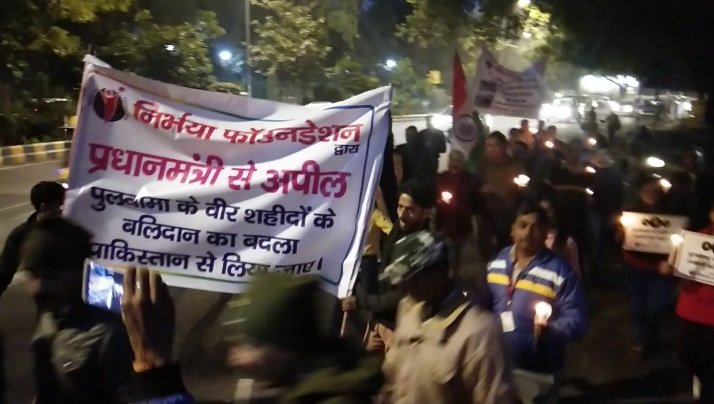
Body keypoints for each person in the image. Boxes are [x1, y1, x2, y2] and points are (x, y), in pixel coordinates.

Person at [382, 231, 516, 403]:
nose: (404, 287)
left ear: (439, 271)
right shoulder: (408, 311)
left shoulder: (479, 333)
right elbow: (392, 379)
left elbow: (493, 397)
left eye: (412, 279)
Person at [19, 217, 133, 403]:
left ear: (80, 273)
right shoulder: (52, 312)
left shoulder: (111, 332)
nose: (38, 287)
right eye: (33, 274)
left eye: (51, 276)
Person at [223, 273, 384, 403]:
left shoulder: (334, 397)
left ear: (287, 344)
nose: (236, 358)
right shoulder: (305, 388)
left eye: (254, 344)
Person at [486, 201, 587, 403]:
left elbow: (577, 319)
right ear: (512, 230)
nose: (528, 232)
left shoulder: (560, 272)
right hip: (500, 364)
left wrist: (551, 331)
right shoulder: (496, 263)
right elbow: (484, 302)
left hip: (540, 370)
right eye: (523, 225)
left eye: (536, 227)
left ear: (546, 233)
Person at [341, 180, 435, 348]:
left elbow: (401, 296)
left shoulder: (425, 246)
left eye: (410, 209)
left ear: (425, 212)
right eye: (400, 207)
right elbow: (385, 276)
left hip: (402, 330)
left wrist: (361, 302)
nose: (402, 214)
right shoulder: (398, 230)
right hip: (381, 323)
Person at [660, 202, 714, 403]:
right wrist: (670, 268)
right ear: (711, 215)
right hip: (692, 309)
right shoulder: (694, 240)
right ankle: (699, 377)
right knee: (686, 354)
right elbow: (679, 269)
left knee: (710, 361)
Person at [617, 173, 676, 357]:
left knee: (657, 306)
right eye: (647, 190)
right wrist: (621, 232)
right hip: (635, 267)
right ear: (640, 191)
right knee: (638, 306)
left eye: (655, 190)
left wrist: (672, 260)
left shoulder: (673, 212)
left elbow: (682, 240)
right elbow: (617, 239)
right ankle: (642, 340)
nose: (652, 194)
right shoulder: (630, 211)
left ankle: (652, 336)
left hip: (661, 270)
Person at [0, 181, 65, 298]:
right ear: (44, 207)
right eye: (60, 204)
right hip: (48, 299)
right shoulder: (22, 234)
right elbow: (5, 270)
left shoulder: (72, 229)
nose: (62, 208)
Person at [435, 150, 481, 273]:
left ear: (462, 163)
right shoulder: (441, 178)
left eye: (458, 160)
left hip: (462, 225)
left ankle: (453, 277)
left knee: (456, 256)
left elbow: (475, 201)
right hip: (443, 224)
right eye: (452, 160)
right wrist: (439, 201)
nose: (455, 163)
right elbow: (433, 198)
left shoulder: (470, 179)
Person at [481, 131, 523, 251]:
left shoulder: (515, 165)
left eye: (496, 145)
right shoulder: (483, 166)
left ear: (504, 147)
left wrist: (521, 188)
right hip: (487, 214)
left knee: (505, 248)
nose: (492, 149)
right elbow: (474, 187)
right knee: (486, 249)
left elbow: (526, 189)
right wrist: (482, 190)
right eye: (489, 146)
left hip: (508, 215)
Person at [540, 191, 581, 277]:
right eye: (541, 211)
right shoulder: (535, 237)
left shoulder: (567, 242)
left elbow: (574, 273)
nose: (543, 215)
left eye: (547, 211)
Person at [418, 116, 447, 181]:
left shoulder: (422, 133)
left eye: (428, 121)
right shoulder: (439, 133)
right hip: (426, 160)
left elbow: (443, 149)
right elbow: (443, 149)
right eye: (427, 121)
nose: (428, 123)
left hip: (429, 159)